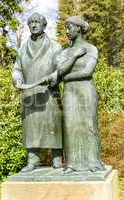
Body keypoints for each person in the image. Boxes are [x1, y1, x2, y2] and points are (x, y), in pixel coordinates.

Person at [12, 13, 63, 172]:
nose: (34, 25)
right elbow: (17, 69)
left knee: (53, 125)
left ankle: (57, 159)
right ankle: (33, 161)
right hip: (30, 94)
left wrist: (53, 77)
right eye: (31, 22)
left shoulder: (55, 47)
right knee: (31, 127)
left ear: (44, 25)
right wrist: (17, 79)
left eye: (37, 22)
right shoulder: (22, 49)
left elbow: (61, 69)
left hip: (49, 93)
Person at [54, 16, 105, 174]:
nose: (67, 31)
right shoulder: (65, 52)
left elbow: (88, 71)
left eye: (69, 27)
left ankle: (93, 162)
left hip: (86, 91)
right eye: (66, 28)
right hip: (70, 92)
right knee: (70, 126)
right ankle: (72, 164)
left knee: (89, 125)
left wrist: (67, 77)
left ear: (78, 28)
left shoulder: (91, 49)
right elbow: (60, 71)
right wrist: (74, 56)